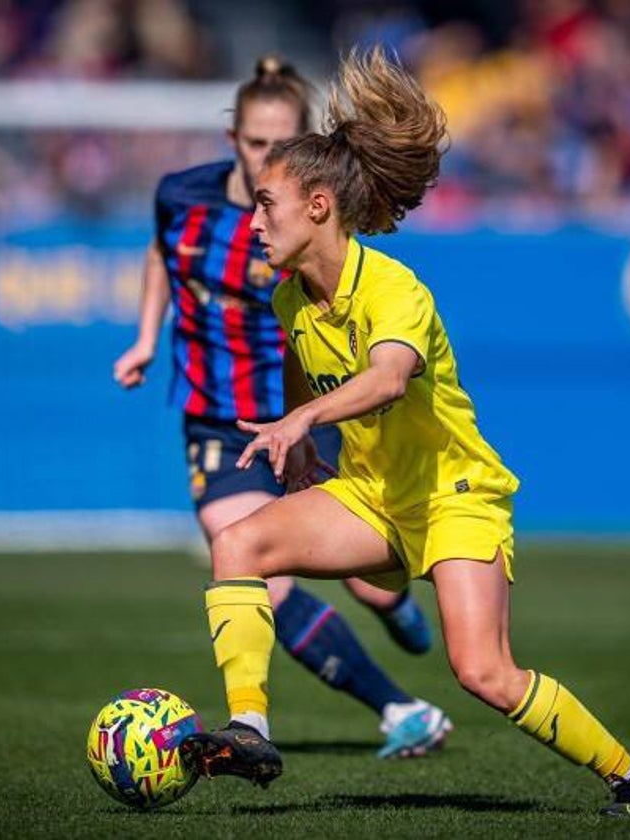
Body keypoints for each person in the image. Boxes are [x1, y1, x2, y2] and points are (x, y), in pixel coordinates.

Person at [178, 47, 630, 817]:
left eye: (267, 205)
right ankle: (248, 728)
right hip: (377, 496)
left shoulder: (393, 286)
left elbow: (387, 378)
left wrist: (302, 419)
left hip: (456, 495)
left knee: (483, 672)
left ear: (318, 205)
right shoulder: (289, 301)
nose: (255, 220)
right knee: (238, 544)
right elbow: (298, 371)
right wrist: (304, 440)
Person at [113, 55, 452, 759]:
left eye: (282, 143)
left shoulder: (302, 215)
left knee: (372, 585)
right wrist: (147, 337)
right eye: (255, 142)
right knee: (252, 567)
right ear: (233, 136)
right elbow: (158, 254)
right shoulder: (182, 195)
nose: (268, 155)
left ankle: (392, 605)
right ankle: (395, 709)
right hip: (221, 418)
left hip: (306, 412)